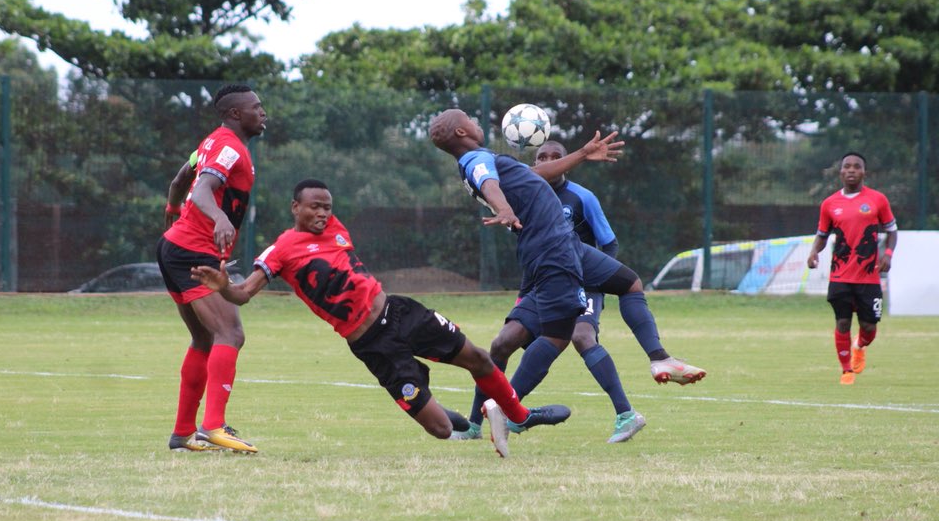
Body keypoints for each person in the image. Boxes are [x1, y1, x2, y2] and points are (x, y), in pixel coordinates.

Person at [190, 179, 572, 458]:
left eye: (327, 206)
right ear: (295, 208)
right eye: (314, 207)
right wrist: (223, 285)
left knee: (480, 359)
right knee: (440, 430)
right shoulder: (282, 249)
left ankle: (518, 415)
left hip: (400, 312)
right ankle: (464, 415)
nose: (322, 213)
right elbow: (243, 293)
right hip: (372, 346)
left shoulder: (337, 229)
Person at [429, 109, 705, 436]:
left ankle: (660, 358)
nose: (476, 123)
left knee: (629, 283)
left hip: (564, 244)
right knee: (559, 336)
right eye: (470, 120)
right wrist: (502, 207)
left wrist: (583, 154)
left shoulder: (489, 159)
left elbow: (537, 174)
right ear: (462, 133)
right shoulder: (475, 160)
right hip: (552, 248)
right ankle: (505, 410)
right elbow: (486, 180)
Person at [156, 83, 267, 453]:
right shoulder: (229, 148)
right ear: (236, 114)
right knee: (230, 334)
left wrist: (172, 214)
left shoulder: (209, 144)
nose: (262, 112)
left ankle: (183, 432)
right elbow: (202, 189)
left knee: (204, 339)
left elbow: (179, 181)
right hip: (192, 252)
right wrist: (219, 219)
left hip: (177, 246)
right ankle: (213, 426)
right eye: (256, 106)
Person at [807, 151, 898, 385]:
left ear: (864, 172)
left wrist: (888, 254)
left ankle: (859, 345)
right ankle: (846, 370)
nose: (851, 170)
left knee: (869, 327)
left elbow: (892, 230)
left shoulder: (878, 200)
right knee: (842, 322)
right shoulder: (829, 204)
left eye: (856, 166)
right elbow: (822, 234)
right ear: (840, 172)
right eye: (847, 166)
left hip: (869, 276)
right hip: (840, 275)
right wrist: (814, 252)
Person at [164, 150, 197, 230]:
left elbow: (178, 183)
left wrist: (172, 207)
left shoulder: (204, 149)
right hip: (207, 234)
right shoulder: (230, 151)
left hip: (176, 234)